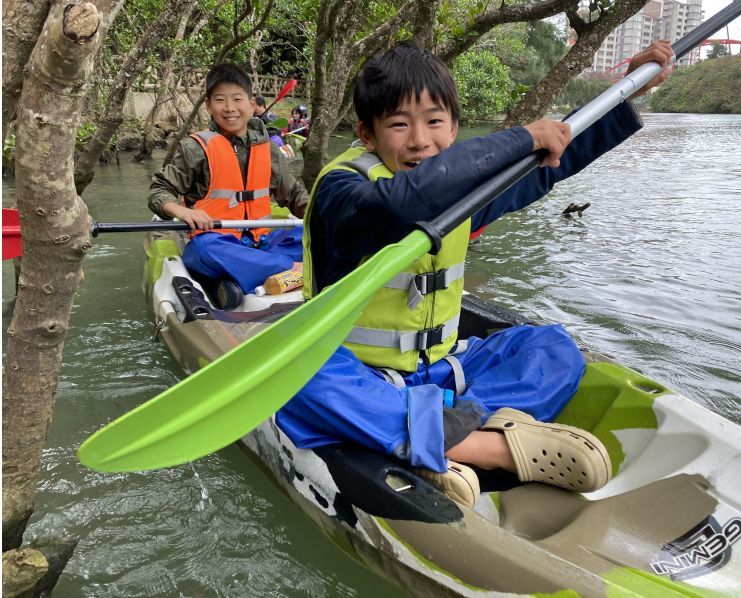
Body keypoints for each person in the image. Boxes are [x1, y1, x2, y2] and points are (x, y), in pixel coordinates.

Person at [276, 41, 674, 508]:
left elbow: (551, 160)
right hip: (358, 374)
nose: (420, 140)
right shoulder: (343, 191)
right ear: (367, 135)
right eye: (399, 124)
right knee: (296, 376)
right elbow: (406, 201)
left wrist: (628, 95)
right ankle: (484, 447)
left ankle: (443, 435)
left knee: (552, 347)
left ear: (455, 127)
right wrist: (520, 137)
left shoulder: (466, 187)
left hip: (443, 375)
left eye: (434, 122)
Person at [148, 64, 308, 308]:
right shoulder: (195, 149)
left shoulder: (269, 150)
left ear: (251, 104)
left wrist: (320, 216)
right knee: (202, 250)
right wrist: (184, 212)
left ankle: (249, 277)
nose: (230, 108)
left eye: (237, 99)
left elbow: (295, 195)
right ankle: (293, 269)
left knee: (308, 234)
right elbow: (159, 191)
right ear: (209, 106)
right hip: (219, 244)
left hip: (263, 242)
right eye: (220, 100)